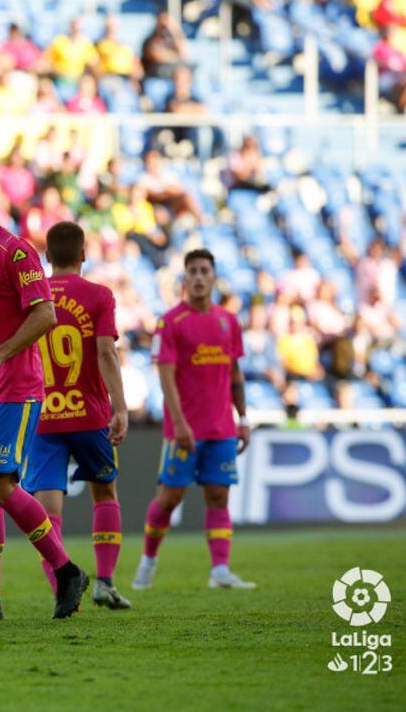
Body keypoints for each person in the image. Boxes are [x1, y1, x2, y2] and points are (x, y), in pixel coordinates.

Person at [0, 173, 89, 620]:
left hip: (17, 386)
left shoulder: (17, 251)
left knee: (0, 484)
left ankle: (66, 569)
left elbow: (45, 315)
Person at [21, 222, 132, 609]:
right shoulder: (99, 295)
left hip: (43, 419)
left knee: (49, 513)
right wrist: (120, 407)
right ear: (84, 254)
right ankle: (104, 582)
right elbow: (105, 353)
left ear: (47, 256)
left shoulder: (33, 294)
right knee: (105, 493)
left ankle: (63, 591)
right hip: (90, 416)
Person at [132, 249, 255, 591]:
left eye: (205, 271)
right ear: (185, 279)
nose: (199, 277)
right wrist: (180, 422)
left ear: (214, 277)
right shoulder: (170, 322)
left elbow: (235, 375)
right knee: (169, 499)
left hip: (221, 429)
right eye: (193, 272)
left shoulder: (228, 321)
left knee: (219, 496)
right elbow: (166, 377)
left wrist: (242, 418)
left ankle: (220, 570)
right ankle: (148, 561)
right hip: (183, 430)